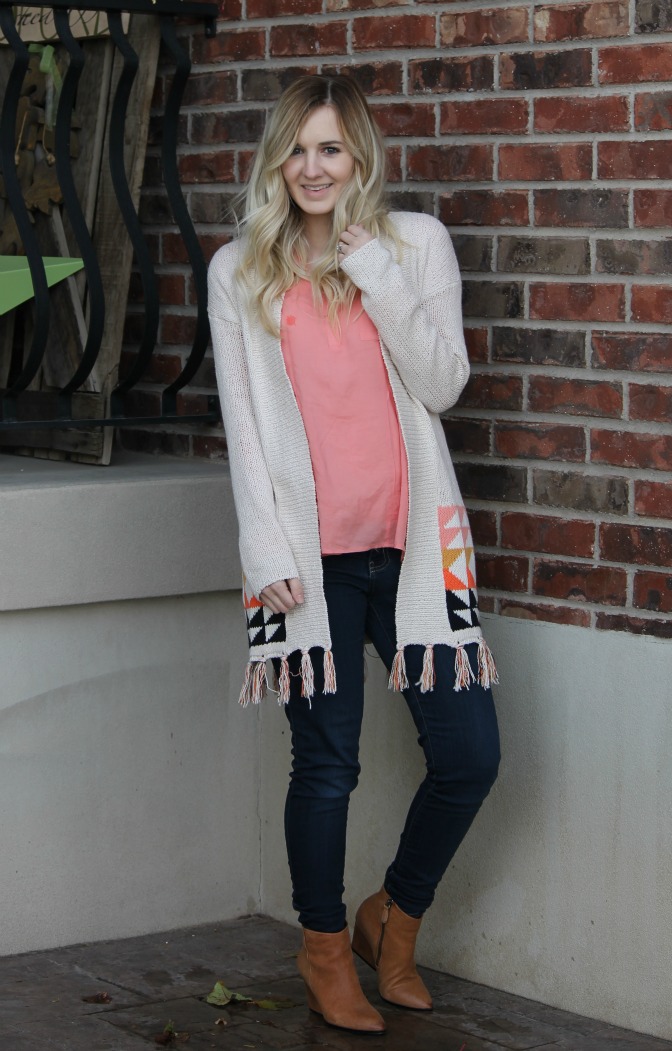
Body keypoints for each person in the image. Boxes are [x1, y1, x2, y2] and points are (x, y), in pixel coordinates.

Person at [207, 74, 501, 1035]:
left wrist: (370, 264)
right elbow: (245, 429)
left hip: (415, 551)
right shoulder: (240, 269)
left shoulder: (413, 245)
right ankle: (327, 948)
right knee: (327, 766)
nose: (312, 168)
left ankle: (394, 919)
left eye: (330, 148)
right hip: (310, 562)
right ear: (276, 161)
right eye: (296, 149)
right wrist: (263, 548)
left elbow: (444, 383)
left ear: (360, 155)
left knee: (470, 755)